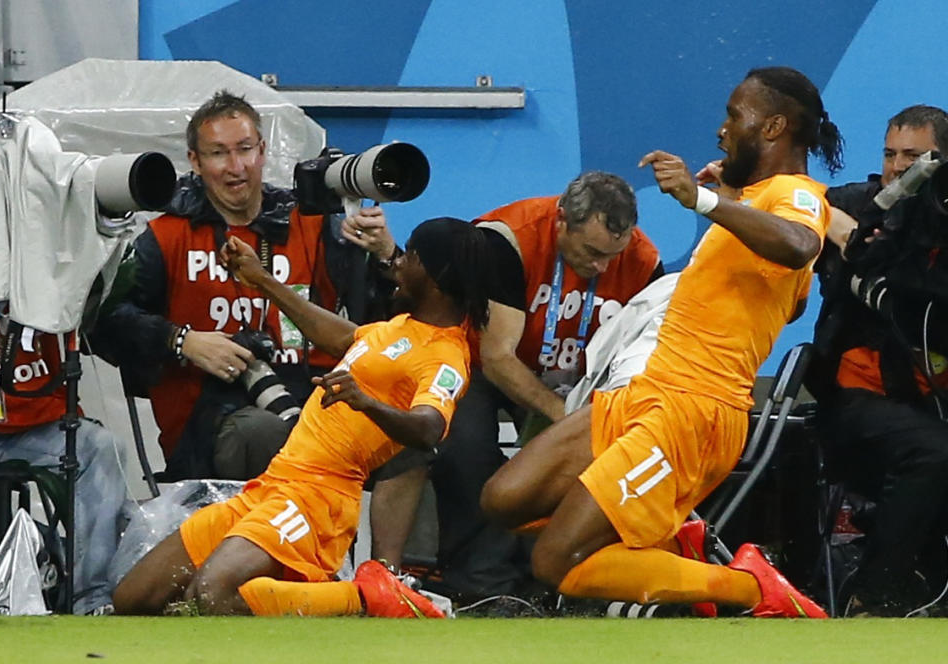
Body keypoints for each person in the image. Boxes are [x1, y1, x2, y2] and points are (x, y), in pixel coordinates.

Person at [481, 66, 842, 618]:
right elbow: (785, 296)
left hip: (691, 411)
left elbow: (796, 245)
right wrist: (730, 201)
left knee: (556, 563)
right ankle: (668, 542)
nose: (722, 129)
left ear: (773, 127)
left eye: (734, 115)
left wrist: (705, 201)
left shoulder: (796, 195)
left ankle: (751, 588)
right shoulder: (753, 202)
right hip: (648, 389)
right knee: (505, 499)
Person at [111, 217, 491, 617]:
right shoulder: (400, 328)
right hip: (273, 484)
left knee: (211, 595)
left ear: (437, 275)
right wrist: (262, 281)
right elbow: (342, 337)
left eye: (410, 255)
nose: (397, 263)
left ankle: (364, 597)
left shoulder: (447, 355)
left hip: (319, 499)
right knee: (133, 599)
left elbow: (430, 429)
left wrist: (368, 402)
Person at [369, 172, 663, 598]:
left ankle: (567, 583)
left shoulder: (644, 262)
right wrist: (563, 415)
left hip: (578, 379)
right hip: (483, 367)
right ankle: (482, 586)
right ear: (562, 220)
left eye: (612, 257)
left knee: (608, 449)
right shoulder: (509, 239)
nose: (602, 267)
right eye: (593, 252)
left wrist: (592, 417)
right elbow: (498, 356)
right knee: (465, 441)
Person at [95, 90, 397, 481]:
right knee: (267, 434)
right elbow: (107, 322)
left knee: (406, 437)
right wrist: (182, 340)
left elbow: (379, 322)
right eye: (218, 153)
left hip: (313, 396)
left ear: (263, 151)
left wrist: (387, 256)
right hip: (211, 419)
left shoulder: (312, 222)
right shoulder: (166, 235)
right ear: (195, 162)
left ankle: (398, 548)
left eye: (245, 149)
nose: (235, 166)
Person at [810, 104, 948, 616]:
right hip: (855, 405)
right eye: (890, 154)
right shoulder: (859, 205)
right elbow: (799, 204)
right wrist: (847, 234)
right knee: (936, 453)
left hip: (929, 402)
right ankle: (871, 596)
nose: (896, 167)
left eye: (913, 156)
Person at [0, 304, 127, 615]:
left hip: (35, 425)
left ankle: (92, 599)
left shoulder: (46, 259)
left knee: (102, 448)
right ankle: (38, 548)